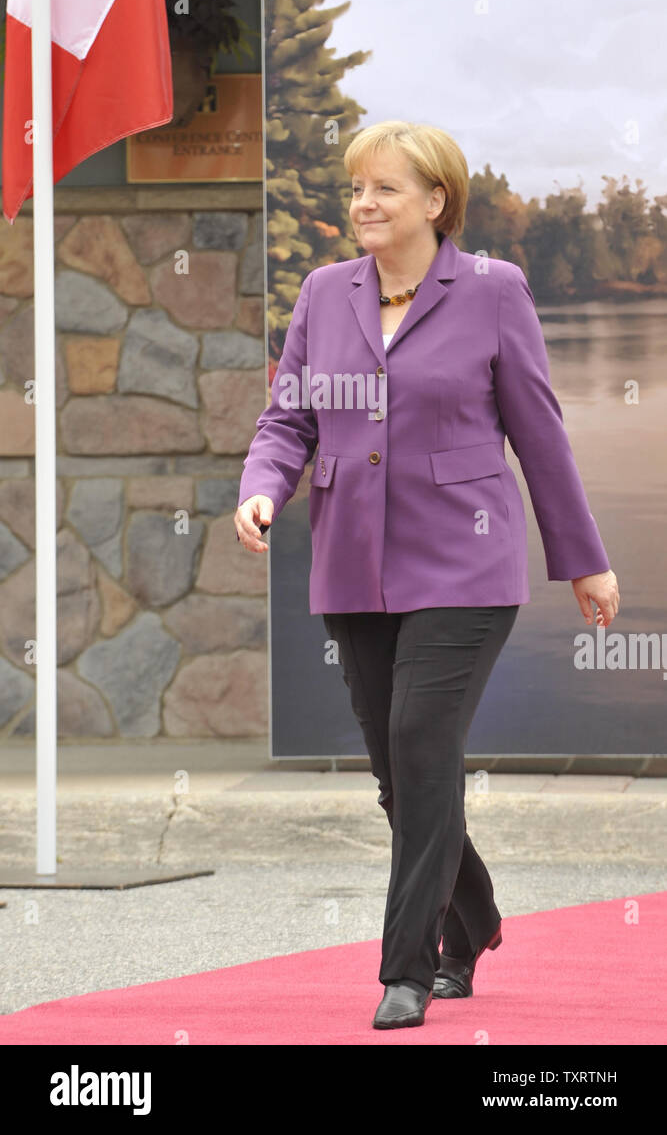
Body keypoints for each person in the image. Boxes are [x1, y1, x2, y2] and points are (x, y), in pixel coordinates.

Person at [234, 120, 619, 1031]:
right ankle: (476, 913)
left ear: (436, 201)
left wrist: (584, 559)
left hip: (463, 561)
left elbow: (537, 430)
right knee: (398, 776)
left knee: (419, 744)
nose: (363, 204)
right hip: (352, 566)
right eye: (355, 189)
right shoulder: (324, 293)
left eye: (384, 189)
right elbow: (289, 419)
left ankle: (411, 966)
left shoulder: (492, 290)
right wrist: (260, 490)